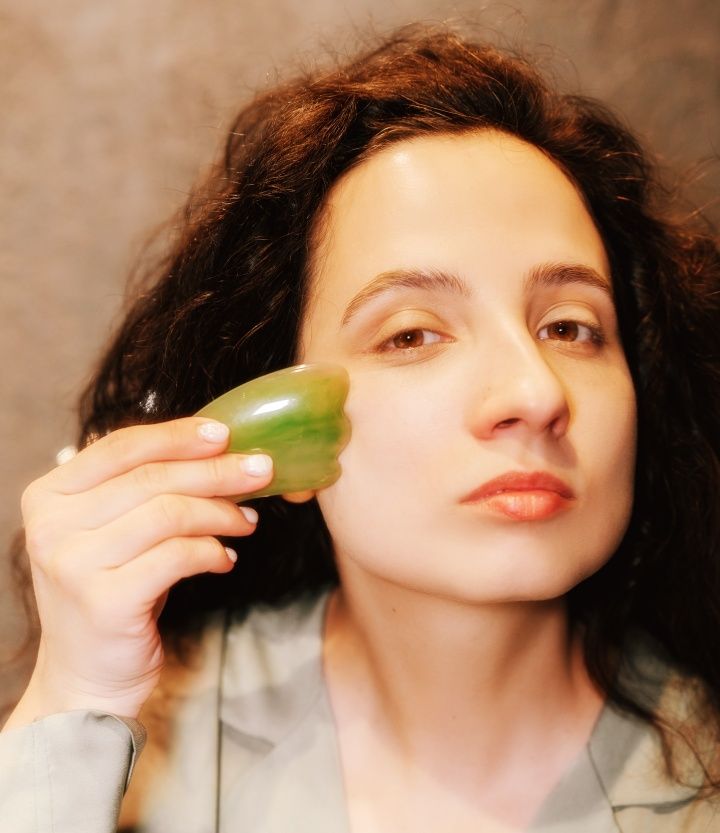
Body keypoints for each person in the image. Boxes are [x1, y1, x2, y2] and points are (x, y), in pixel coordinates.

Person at [2, 23, 719, 833]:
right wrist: (73, 706)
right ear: (277, 423)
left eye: (570, 326)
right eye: (412, 333)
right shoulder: (136, 752)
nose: (534, 391)